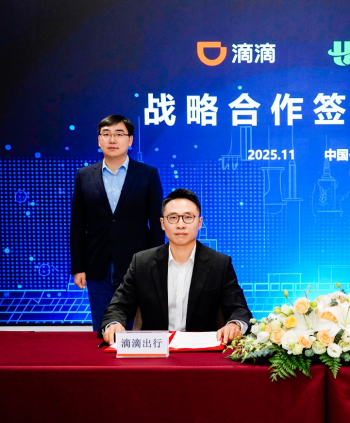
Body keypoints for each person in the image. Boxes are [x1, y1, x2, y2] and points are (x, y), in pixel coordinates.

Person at [100, 188, 252, 344]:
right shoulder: (142, 262)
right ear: (162, 223)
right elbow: (118, 307)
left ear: (199, 222)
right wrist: (113, 324)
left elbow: (239, 309)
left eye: (188, 217)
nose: (180, 225)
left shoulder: (219, 264)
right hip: (156, 351)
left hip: (202, 351)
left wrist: (235, 324)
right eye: (173, 218)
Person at [70, 114, 164, 331]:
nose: (112, 139)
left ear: (130, 140)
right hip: (97, 266)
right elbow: (77, 225)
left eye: (119, 134)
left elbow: (157, 224)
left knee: (134, 332)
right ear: (99, 140)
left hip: (137, 266)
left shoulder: (147, 174)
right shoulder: (84, 175)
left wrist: (155, 266)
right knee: (103, 330)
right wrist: (78, 267)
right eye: (106, 134)